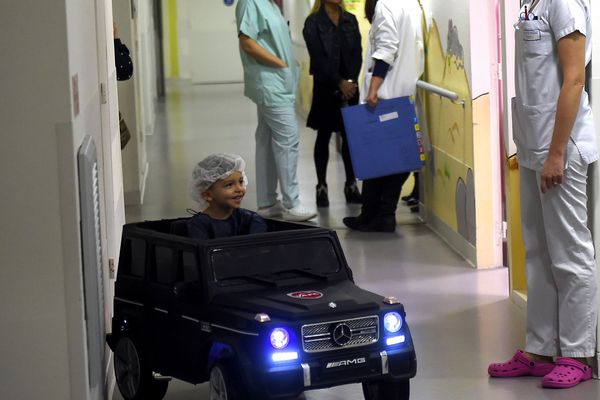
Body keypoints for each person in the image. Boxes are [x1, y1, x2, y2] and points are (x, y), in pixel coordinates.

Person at [488, 0, 597, 389]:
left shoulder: (565, 4)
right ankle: (540, 348)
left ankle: (577, 354)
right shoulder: (529, 2)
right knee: (536, 252)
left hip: (560, 151)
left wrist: (556, 153)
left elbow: (574, 80)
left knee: (570, 254)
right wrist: (528, 147)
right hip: (535, 148)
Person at [342, 0, 424, 232]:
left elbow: (387, 49)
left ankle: (382, 215)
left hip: (386, 94)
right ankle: (372, 214)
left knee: (379, 158)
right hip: (403, 93)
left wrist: (373, 88)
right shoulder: (411, 5)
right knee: (388, 158)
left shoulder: (387, 5)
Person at [235, 0, 316, 221]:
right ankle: (292, 203)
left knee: (266, 139)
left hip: (278, 83)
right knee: (288, 139)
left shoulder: (271, 5)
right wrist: (279, 63)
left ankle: (267, 202)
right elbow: (247, 42)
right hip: (270, 83)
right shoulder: (251, 3)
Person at [303, 0, 362, 207]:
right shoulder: (313, 23)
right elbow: (318, 59)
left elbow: (357, 54)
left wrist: (351, 83)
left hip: (351, 89)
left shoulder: (350, 20)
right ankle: (321, 186)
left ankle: (351, 184)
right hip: (326, 88)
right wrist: (339, 82)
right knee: (324, 135)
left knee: (350, 138)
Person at [187, 153, 268, 240]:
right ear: (208, 195)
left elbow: (259, 248)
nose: (239, 189)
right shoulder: (199, 226)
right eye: (229, 185)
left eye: (241, 182)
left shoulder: (251, 220)